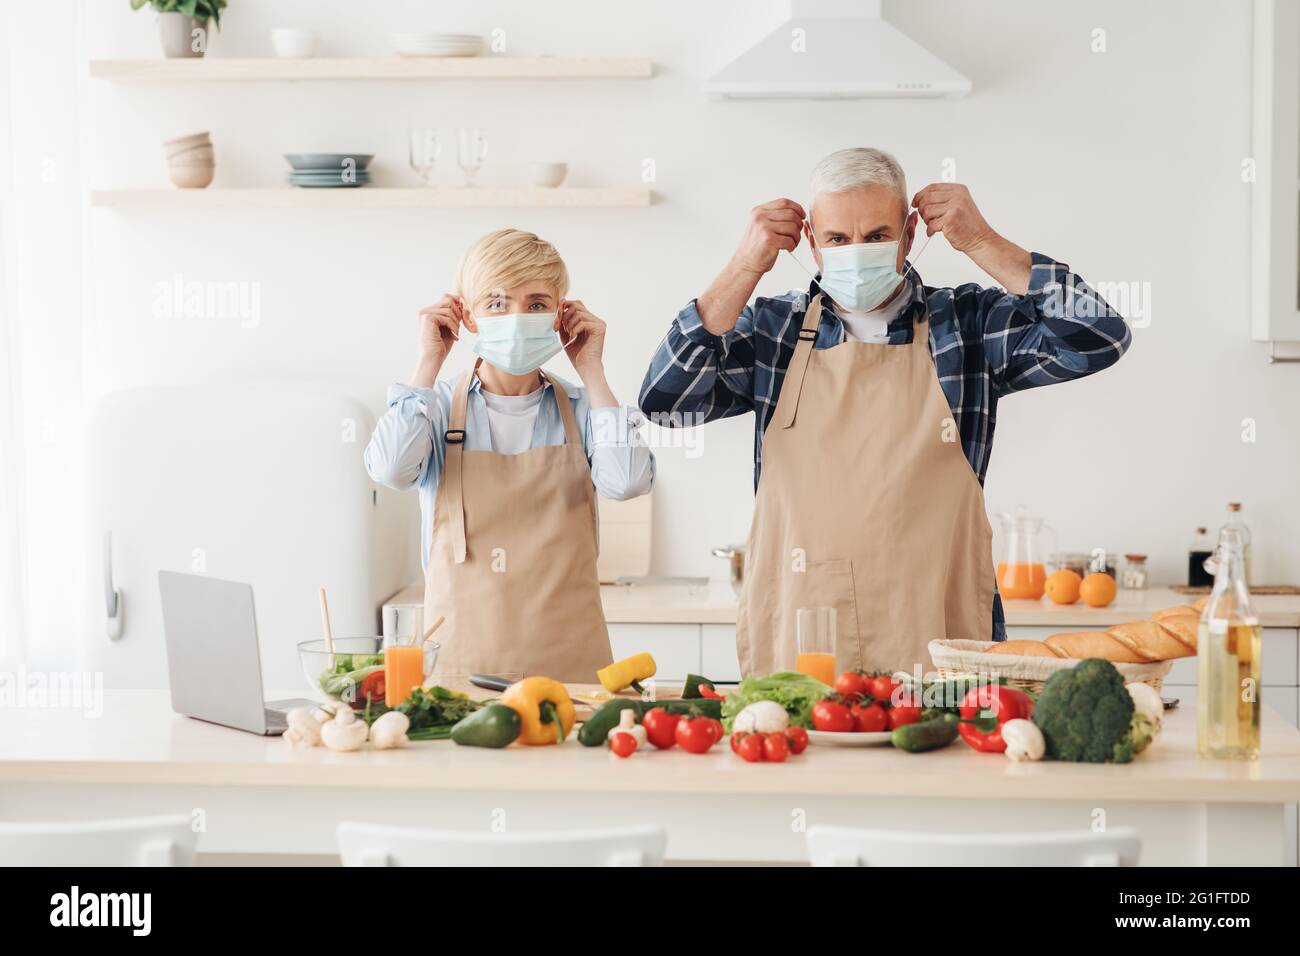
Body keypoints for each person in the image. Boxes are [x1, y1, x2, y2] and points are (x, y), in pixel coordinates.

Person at [639, 148, 1130, 677]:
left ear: (909, 236)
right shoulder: (772, 330)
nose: (857, 252)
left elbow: (1098, 337)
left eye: (876, 236)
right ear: (811, 243)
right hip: (803, 635)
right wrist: (743, 266)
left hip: (937, 630)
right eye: (837, 239)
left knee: (941, 752)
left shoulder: (966, 325)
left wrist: (983, 242)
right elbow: (667, 402)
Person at [366, 228, 654, 681]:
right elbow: (391, 469)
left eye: (537, 304)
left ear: (561, 315)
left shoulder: (584, 409)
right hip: (461, 670)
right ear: (468, 315)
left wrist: (593, 371)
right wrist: (428, 362)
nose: (518, 317)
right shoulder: (435, 407)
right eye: (497, 303)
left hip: (570, 674)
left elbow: (628, 481)